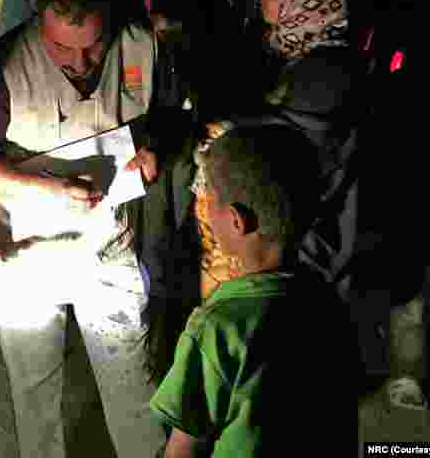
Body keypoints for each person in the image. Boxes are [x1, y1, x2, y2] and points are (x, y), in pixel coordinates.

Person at [0, 0, 166, 458]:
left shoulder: (142, 46)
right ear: (37, 24)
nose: (79, 63)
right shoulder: (5, 66)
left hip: (108, 247)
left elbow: (165, 117)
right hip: (27, 254)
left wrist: (155, 148)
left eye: (93, 46)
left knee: (135, 392)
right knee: (35, 394)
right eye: (60, 48)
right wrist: (45, 189)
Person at [150, 124, 360, 457]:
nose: (202, 205)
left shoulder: (217, 328)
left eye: (207, 194)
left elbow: (182, 451)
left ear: (237, 221)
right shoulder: (327, 301)